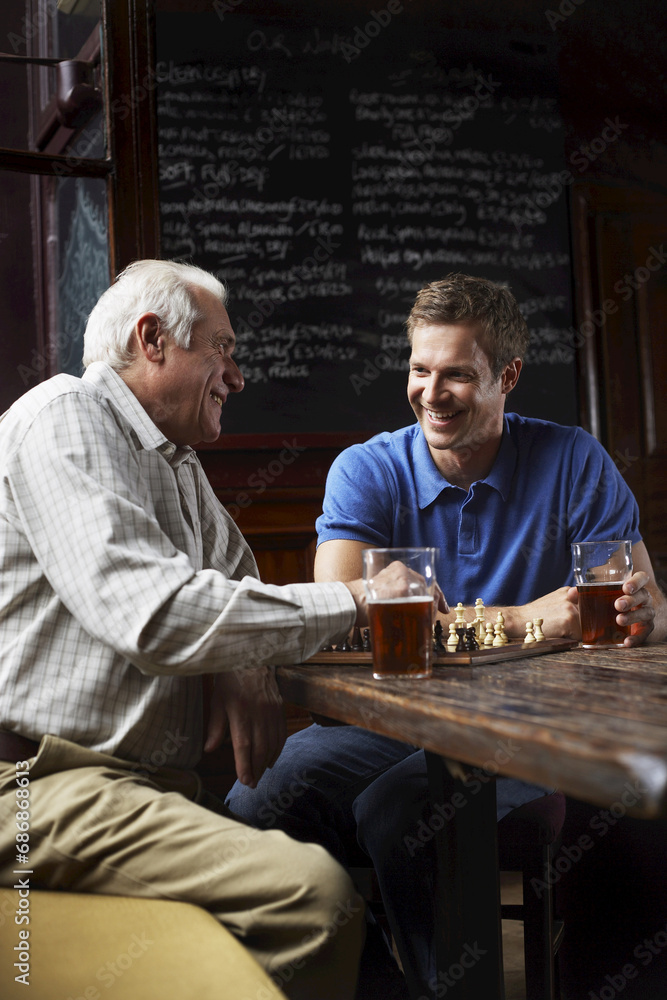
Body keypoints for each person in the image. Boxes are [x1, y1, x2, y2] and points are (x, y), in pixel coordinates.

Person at [0, 259, 442, 1000]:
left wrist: (244, 662)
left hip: (135, 789)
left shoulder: (172, 460)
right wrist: (360, 599)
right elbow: (156, 615)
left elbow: (236, 586)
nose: (235, 377)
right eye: (223, 349)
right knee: (312, 895)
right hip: (32, 789)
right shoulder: (64, 415)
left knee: (345, 909)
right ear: (152, 340)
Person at [226, 273, 667, 997]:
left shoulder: (574, 461)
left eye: (456, 373)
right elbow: (342, 631)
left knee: (401, 809)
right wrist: (528, 621)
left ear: (508, 376)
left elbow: (643, 614)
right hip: (385, 720)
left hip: (530, 728)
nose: (431, 392)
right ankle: (374, 984)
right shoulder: (366, 470)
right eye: (419, 369)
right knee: (256, 798)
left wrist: (645, 615)